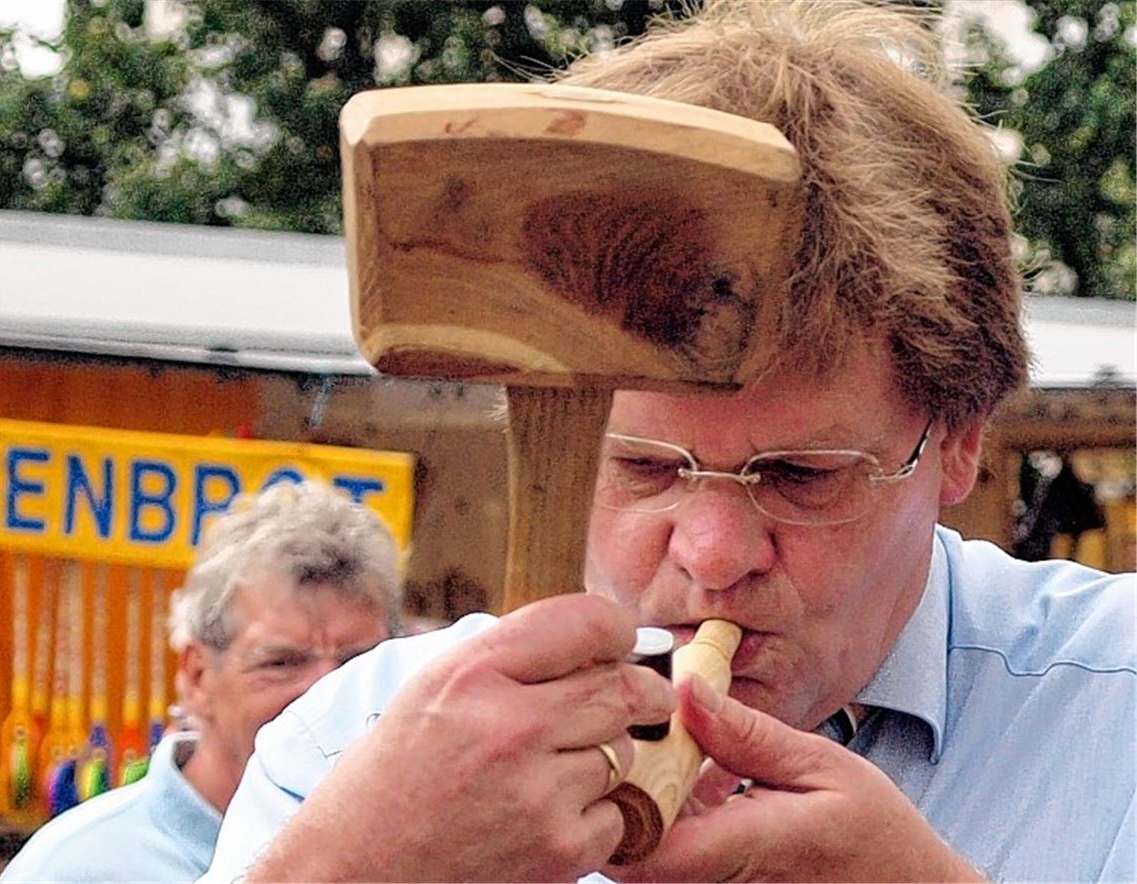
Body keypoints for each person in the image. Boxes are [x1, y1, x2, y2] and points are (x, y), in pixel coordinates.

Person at [202, 1, 1135, 881]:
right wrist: (357, 864)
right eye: (646, 467)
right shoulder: (354, 744)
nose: (714, 555)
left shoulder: (1113, 709)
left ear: (959, 441)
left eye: (802, 476)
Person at [0, 481, 402, 882]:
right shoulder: (78, 871)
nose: (327, 694)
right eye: (282, 663)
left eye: (360, 664)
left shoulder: (415, 858)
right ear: (198, 675)